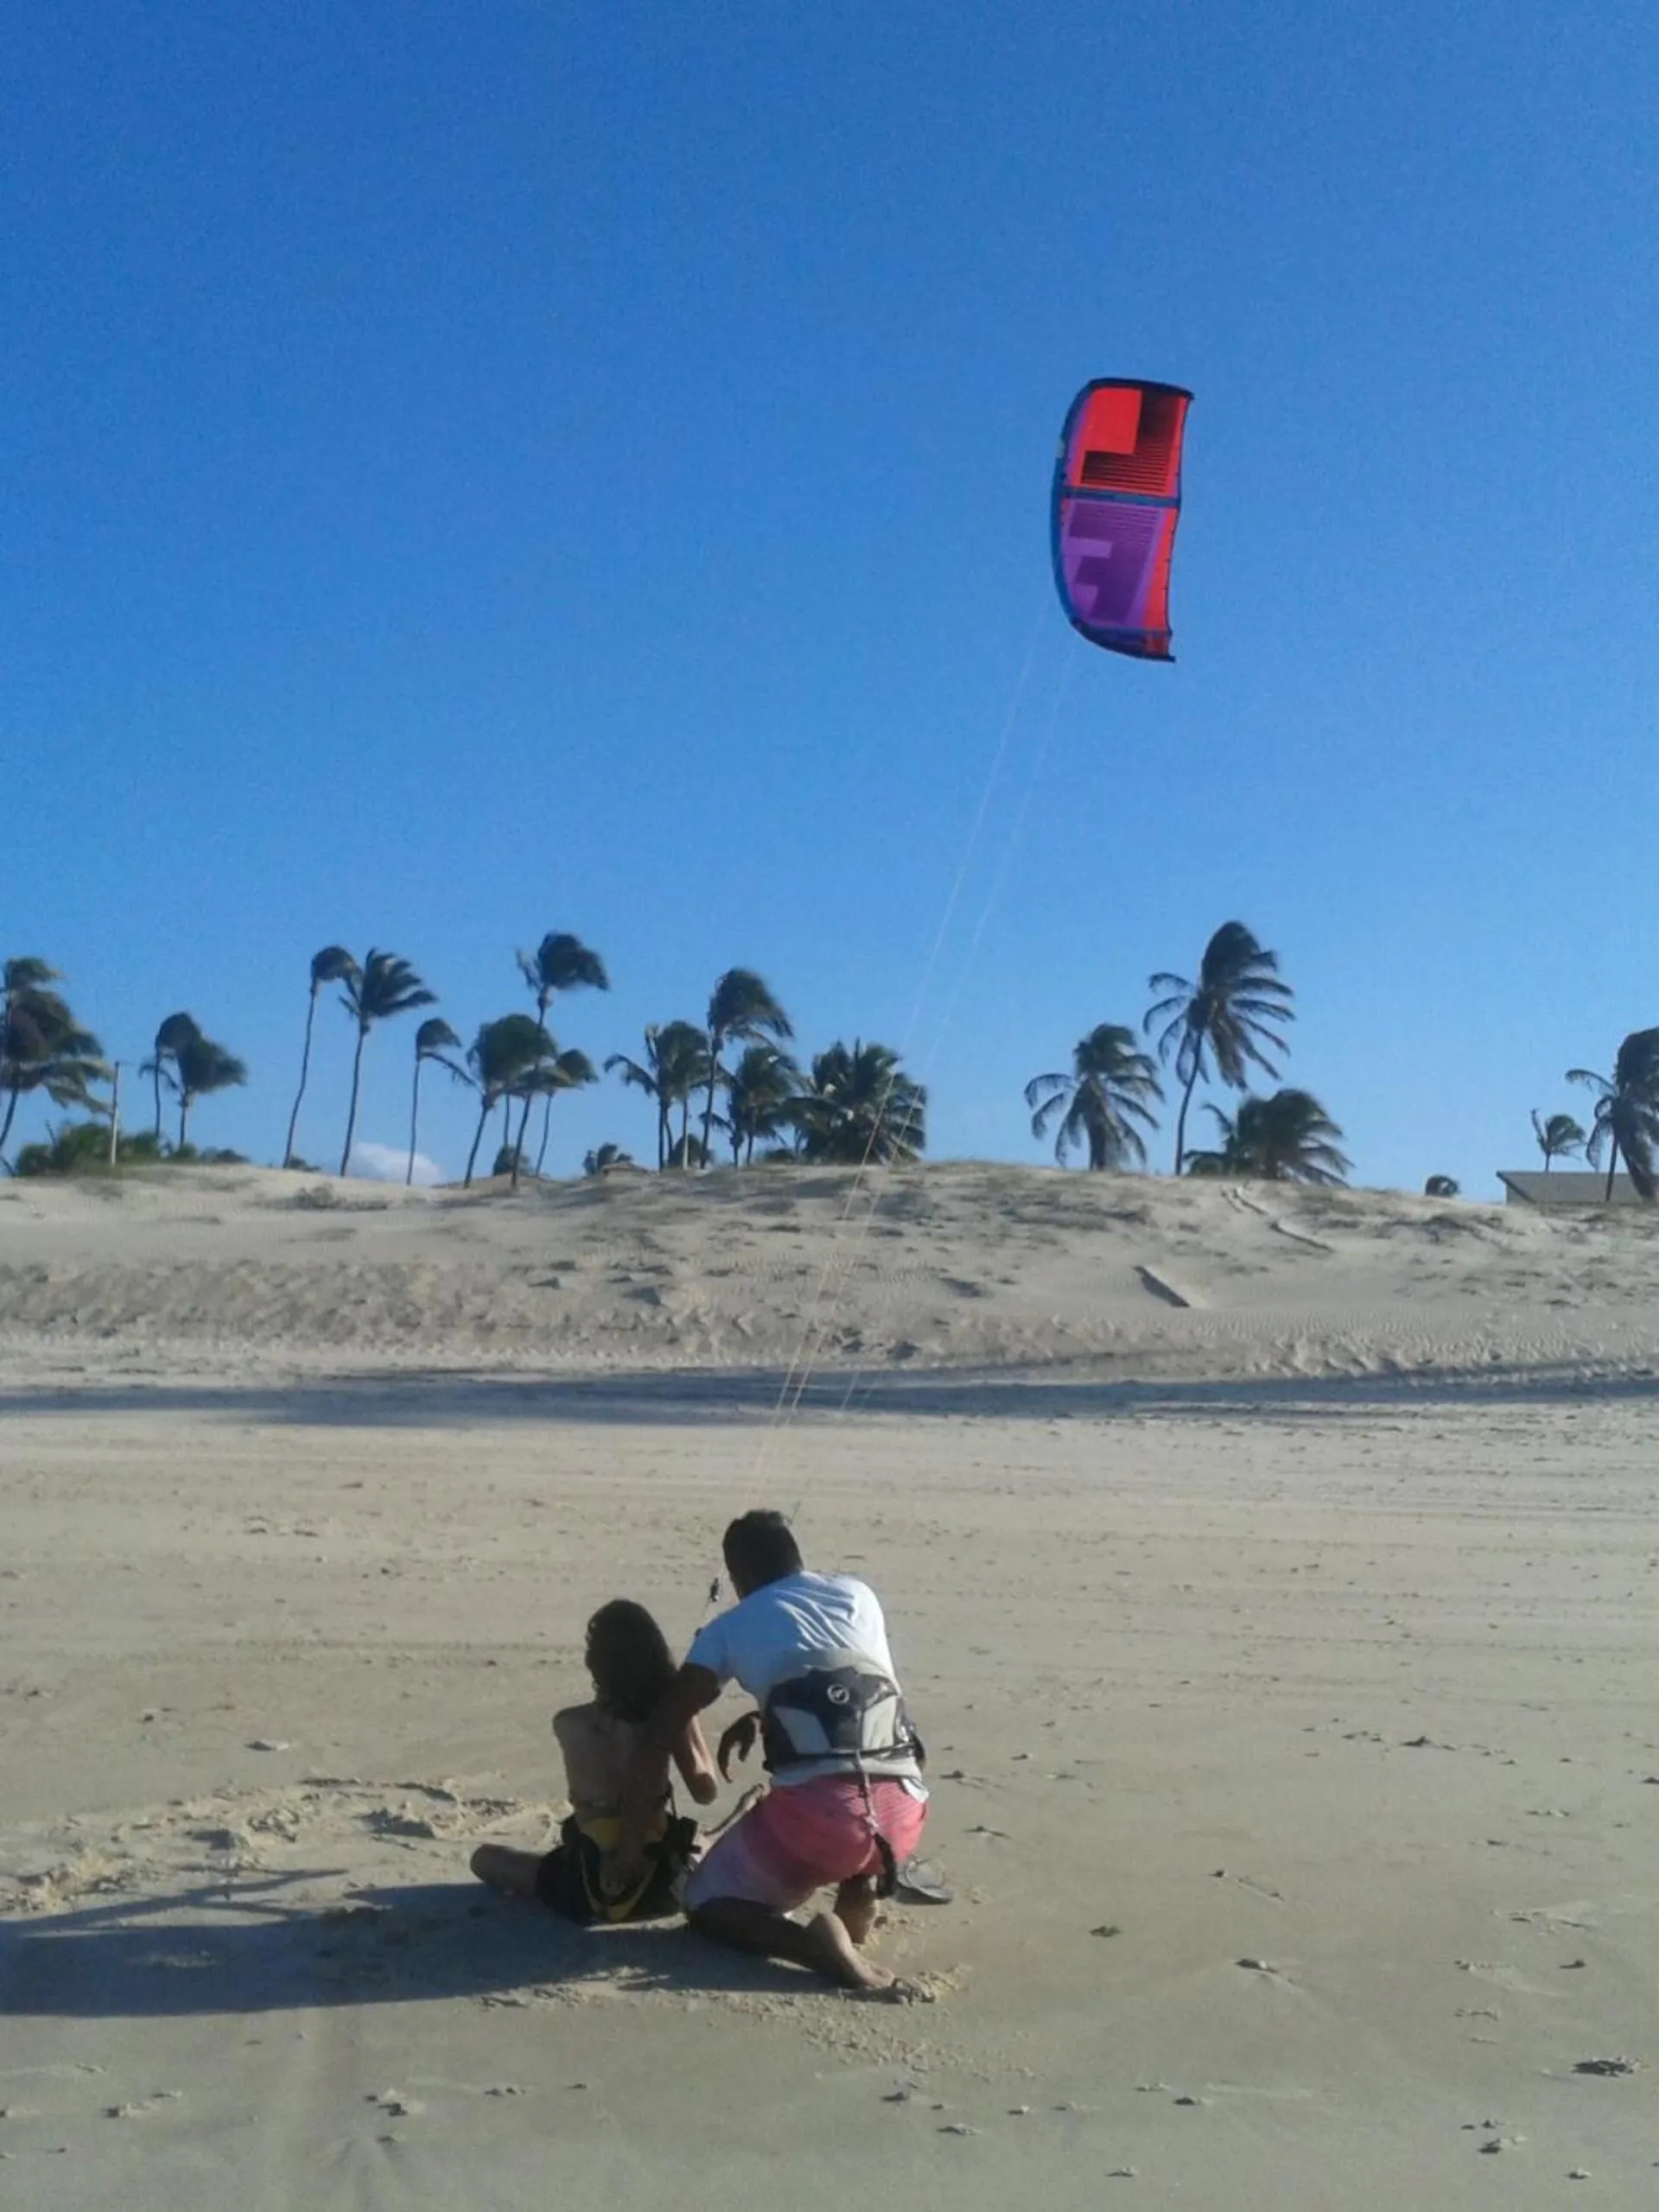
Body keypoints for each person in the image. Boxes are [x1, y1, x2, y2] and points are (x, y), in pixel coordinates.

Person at [613, 1510, 928, 1994]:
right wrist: (762, 1718)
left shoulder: (731, 1625)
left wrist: (630, 1849)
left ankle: (813, 1948)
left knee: (706, 1904)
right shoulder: (858, 1596)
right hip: (904, 1808)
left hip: (820, 1821)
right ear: (796, 1557)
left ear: (738, 1576)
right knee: (858, 1789)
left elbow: (661, 1731)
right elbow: (846, 1692)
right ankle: (862, 1882)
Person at [471, 1598, 717, 1923]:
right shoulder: (663, 1723)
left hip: (583, 1885)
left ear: (594, 1664)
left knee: (483, 1859)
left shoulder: (568, 1724)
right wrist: (686, 1712)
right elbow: (705, 1791)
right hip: (659, 1885)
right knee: (707, 1842)